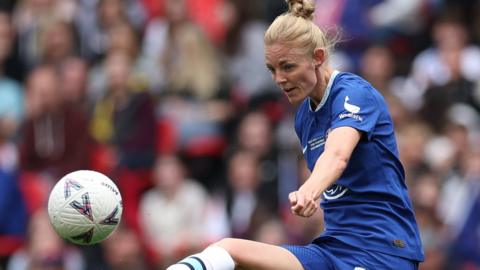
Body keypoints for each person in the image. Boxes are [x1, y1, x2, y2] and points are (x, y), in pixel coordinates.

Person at [167, 0, 424, 269]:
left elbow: (337, 156)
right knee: (227, 250)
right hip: (334, 248)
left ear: (318, 58)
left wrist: (309, 190)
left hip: (382, 250)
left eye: (287, 66)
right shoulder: (303, 117)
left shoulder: (353, 93)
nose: (278, 79)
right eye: (272, 69)